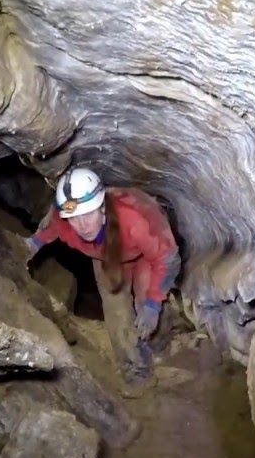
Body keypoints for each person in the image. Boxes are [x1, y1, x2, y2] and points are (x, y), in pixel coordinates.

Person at [26, 166, 181, 388]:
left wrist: (153, 304)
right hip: (106, 257)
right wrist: (30, 245)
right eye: (75, 218)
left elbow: (167, 260)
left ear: (102, 208)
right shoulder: (64, 218)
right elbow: (47, 230)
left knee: (146, 301)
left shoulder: (137, 219)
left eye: (88, 214)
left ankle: (160, 342)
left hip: (146, 255)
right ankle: (136, 371)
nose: (82, 225)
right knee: (117, 311)